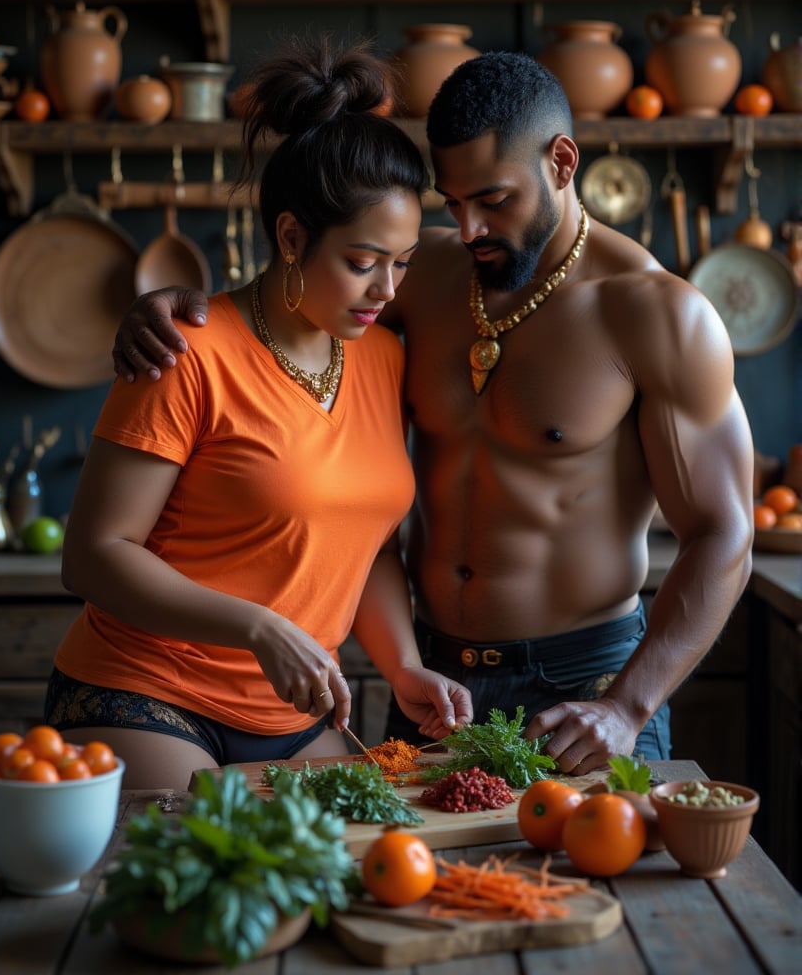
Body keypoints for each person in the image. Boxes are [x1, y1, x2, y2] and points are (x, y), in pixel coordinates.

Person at [112, 50, 755, 776]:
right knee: (405, 889)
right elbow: (289, 300)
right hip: (433, 679)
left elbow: (724, 531)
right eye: (452, 203)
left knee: (593, 888)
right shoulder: (426, 277)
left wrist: (628, 708)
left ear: (563, 162)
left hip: (583, 691)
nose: (471, 226)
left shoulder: (657, 313)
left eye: (494, 198)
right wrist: (167, 311)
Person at [46, 36, 473, 790]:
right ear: (291, 237)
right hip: (147, 690)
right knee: (212, 866)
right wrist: (258, 626)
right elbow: (93, 554)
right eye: (363, 261)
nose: (387, 290)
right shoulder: (187, 353)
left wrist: (402, 665)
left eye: (402, 264)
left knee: (351, 872)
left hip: (295, 714)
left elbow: (367, 543)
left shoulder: (383, 357)